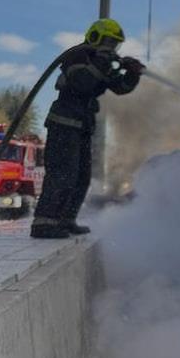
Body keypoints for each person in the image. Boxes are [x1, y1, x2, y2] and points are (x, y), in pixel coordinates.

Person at [30, 18, 142, 239]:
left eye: (115, 44)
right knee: (62, 174)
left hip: (82, 126)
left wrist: (132, 73)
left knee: (82, 177)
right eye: (109, 42)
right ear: (95, 37)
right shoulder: (77, 55)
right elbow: (82, 82)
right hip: (64, 124)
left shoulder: (101, 63)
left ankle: (65, 220)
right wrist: (101, 61)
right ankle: (44, 223)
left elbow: (120, 87)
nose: (112, 48)